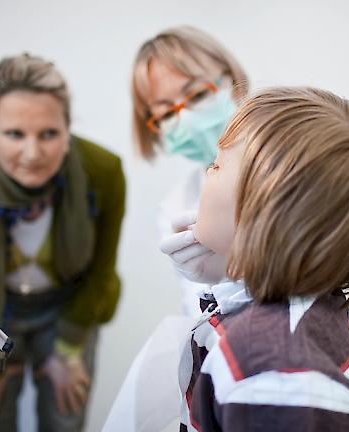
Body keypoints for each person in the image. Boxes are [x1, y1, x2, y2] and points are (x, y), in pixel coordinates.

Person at [175, 87, 349, 431]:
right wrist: (230, 273)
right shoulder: (316, 307)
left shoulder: (267, 374)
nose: (206, 174)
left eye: (216, 165)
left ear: (268, 217)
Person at [0, 53, 125, 431]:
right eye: (15, 134)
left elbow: (99, 272)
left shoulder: (103, 170)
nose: (33, 154)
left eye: (49, 134)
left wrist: (68, 353)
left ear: (68, 131)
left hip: (68, 307)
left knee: (65, 418)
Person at [131, 26, 249, 316]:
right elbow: (201, 317)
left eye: (196, 95)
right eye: (167, 113)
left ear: (233, 81)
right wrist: (217, 279)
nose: (186, 118)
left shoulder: (299, 155)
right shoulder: (176, 207)